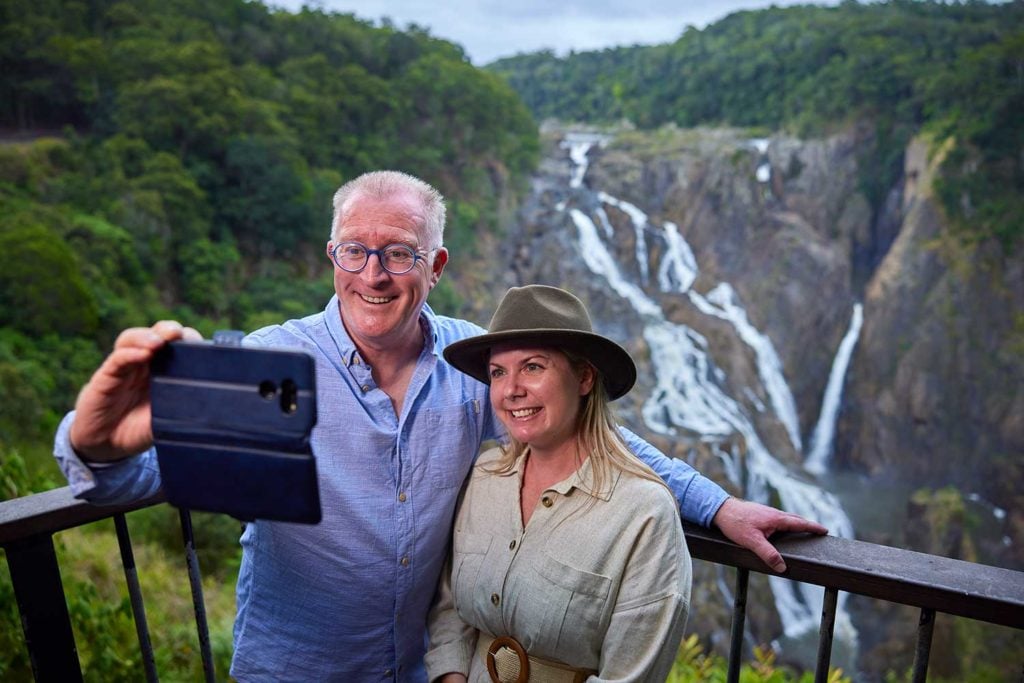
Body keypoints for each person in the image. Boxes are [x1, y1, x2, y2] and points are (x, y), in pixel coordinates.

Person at [54, 170, 827, 681]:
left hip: (425, 667)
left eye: (398, 253)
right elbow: (131, 476)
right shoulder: (271, 363)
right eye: (355, 251)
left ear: (437, 263)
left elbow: (580, 431)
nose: (374, 274)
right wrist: (91, 439)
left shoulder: (474, 366)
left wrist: (716, 505)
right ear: (332, 255)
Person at [426, 285, 691, 682]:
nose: (512, 389)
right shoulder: (484, 476)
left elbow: (632, 674)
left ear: (584, 378)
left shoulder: (643, 513)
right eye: (498, 372)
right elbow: (451, 612)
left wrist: (721, 506)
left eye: (533, 366)